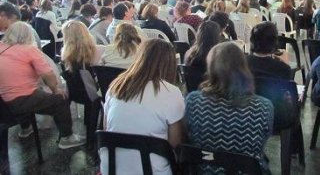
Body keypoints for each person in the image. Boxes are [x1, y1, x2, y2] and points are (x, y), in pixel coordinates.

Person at [185, 42, 273, 172]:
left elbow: (189, 136)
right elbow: (262, 142)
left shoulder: (193, 101)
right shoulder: (264, 107)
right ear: (243, 67)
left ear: (211, 68)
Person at [101, 39, 184, 175]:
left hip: (111, 167)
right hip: (153, 170)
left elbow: (106, 129)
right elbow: (175, 143)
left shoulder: (116, 86)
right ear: (169, 64)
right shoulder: (171, 92)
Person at [0, 22, 85, 149]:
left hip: (3, 104)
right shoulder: (29, 50)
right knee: (60, 100)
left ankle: (26, 128)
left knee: (37, 92)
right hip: (21, 100)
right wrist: (55, 89)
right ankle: (67, 137)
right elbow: (48, 75)